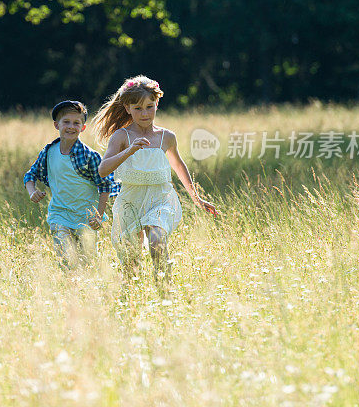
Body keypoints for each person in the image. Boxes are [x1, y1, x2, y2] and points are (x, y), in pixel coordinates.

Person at [94, 76, 217, 284]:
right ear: (127, 108)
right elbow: (103, 170)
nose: (144, 113)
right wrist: (129, 151)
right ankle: (131, 298)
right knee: (130, 261)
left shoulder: (166, 137)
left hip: (160, 197)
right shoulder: (121, 137)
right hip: (130, 200)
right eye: (138, 108)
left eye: (149, 107)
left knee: (157, 240)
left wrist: (197, 199)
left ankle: (165, 292)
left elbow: (179, 166)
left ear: (157, 104)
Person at [24, 100, 120, 268]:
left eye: (76, 123)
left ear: (83, 127)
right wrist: (32, 191)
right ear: (56, 125)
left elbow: (105, 185)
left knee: (87, 263)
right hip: (59, 215)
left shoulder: (90, 156)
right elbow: (30, 175)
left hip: (86, 219)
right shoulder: (48, 152)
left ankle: (83, 292)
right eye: (66, 122)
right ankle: (68, 287)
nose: (71, 127)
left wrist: (99, 214)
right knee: (67, 260)